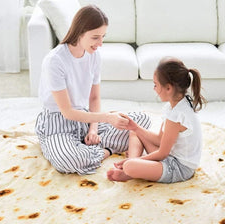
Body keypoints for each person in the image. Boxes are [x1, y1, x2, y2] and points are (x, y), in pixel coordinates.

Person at [35, 5, 151, 175]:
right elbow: (67, 112)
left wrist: (93, 129)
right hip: (58, 123)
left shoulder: (94, 55)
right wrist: (107, 118)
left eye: (103, 37)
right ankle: (106, 151)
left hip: (86, 118)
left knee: (141, 121)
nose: (100, 43)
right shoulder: (55, 61)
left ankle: (87, 147)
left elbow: (94, 98)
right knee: (69, 161)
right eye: (95, 37)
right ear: (79, 32)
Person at [107, 57, 207, 183]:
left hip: (179, 168)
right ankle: (132, 166)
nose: (154, 89)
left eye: (156, 85)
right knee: (134, 133)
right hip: (170, 156)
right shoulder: (174, 106)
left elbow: (162, 153)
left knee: (129, 165)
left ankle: (129, 170)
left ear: (168, 88)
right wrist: (135, 127)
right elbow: (160, 140)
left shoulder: (177, 115)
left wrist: (132, 161)